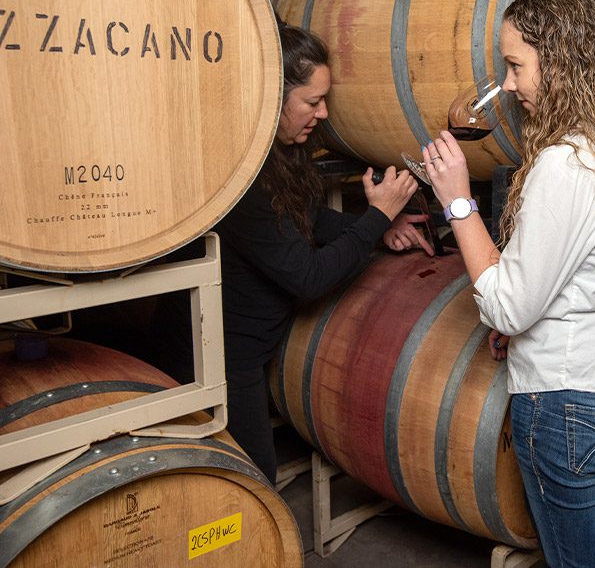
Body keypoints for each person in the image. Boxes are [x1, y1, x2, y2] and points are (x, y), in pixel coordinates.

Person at [422, 0, 595, 567]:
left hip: (569, 398)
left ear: (560, 63)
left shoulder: (565, 163)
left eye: (515, 66)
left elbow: (509, 306)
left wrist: (458, 201)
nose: (508, 85)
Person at [158, 25, 433, 483]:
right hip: (216, 357)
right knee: (251, 483)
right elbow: (306, 276)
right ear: (272, 97)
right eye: (312, 102)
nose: (323, 113)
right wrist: (376, 218)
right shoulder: (239, 175)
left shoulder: (280, 151)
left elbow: (302, 219)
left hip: (244, 349)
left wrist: (379, 228)